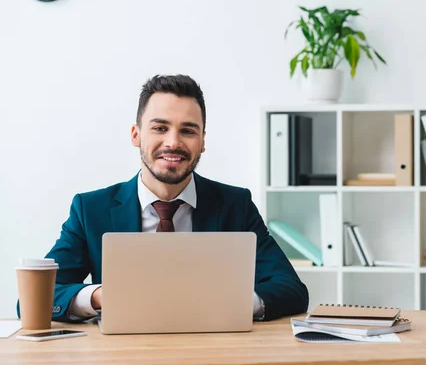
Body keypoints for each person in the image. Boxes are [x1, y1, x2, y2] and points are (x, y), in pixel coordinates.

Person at [17, 74, 309, 322]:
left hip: (215, 352)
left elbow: (292, 290)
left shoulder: (235, 204)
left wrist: (231, 303)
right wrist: (100, 296)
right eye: (160, 128)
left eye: (188, 130)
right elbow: (33, 301)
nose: (173, 142)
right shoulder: (90, 209)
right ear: (136, 135)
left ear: (203, 141)